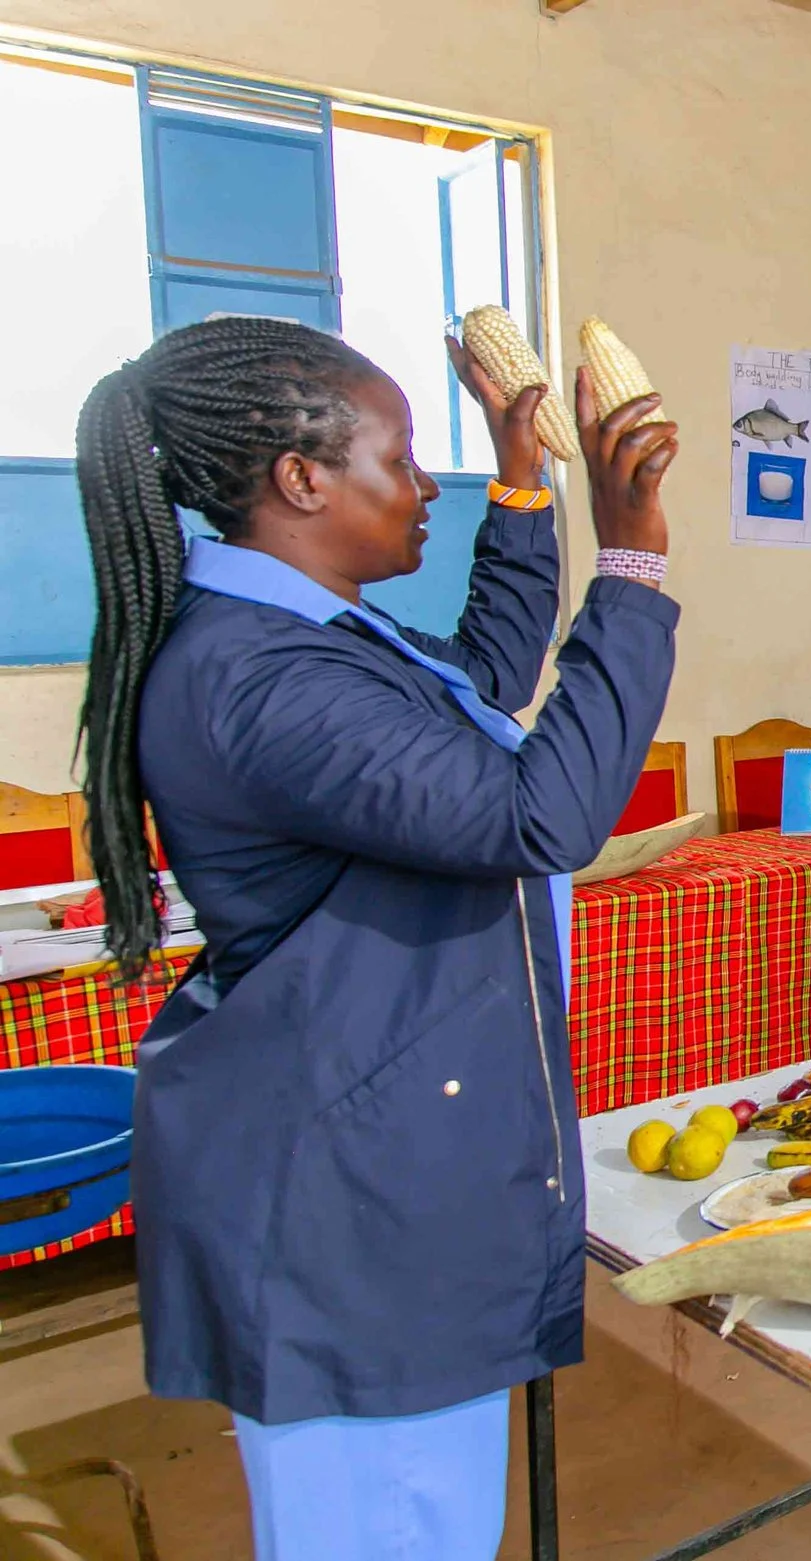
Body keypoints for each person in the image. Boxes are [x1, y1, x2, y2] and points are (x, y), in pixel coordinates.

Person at [78, 319, 679, 1557]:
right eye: (400, 460)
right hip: (345, 1208)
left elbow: (483, 679)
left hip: (382, 1159)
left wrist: (524, 490)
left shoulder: (317, 635)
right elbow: (541, 808)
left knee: (429, 1518)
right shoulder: (262, 677)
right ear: (302, 480)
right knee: (392, 1526)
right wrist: (631, 567)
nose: (423, 488)